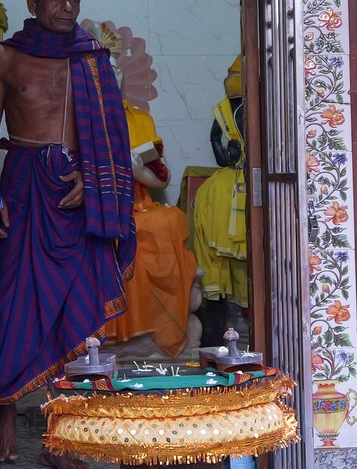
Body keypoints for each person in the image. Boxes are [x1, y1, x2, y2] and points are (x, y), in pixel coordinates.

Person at [0, 0, 135, 469]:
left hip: (77, 193)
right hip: (24, 186)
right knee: (13, 303)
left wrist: (93, 177)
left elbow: (111, 138)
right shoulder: (5, 56)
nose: (67, 7)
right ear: (32, 3)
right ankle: (4, 412)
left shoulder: (92, 60)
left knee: (76, 312)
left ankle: (58, 434)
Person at [102, 102, 195, 358]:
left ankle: (157, 329)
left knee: (170, 218)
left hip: (138, 206)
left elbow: (161, 179)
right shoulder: (81, 116)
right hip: (101, 208)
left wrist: (137, 170)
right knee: (113, 235)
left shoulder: (140, 119)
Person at [192, 58, 251, 350]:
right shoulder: (227, 110)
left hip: (236, 188)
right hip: (227, 191)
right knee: (225, 264)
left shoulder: (255, 107)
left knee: (238, 264)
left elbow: (219, 148)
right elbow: (219, 149)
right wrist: (231, 154)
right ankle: (229, 336)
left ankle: (242, 333)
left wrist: (230, 153)